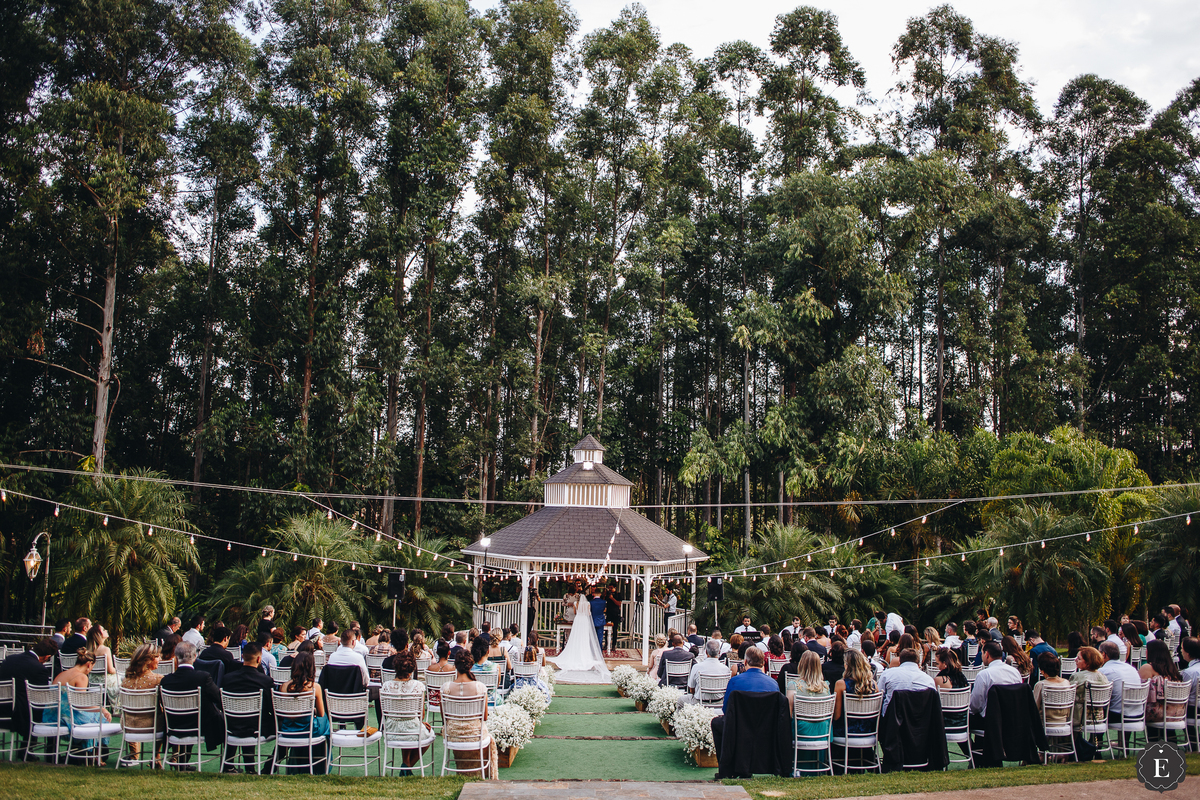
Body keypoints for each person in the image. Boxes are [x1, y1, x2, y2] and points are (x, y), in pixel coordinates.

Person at [221, 641, 277, 773]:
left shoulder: (227, 679)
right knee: (283, 725)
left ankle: (232, 765)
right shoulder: (265, 681)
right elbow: (271, 707)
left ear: (242, 656)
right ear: (259, 659)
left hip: (231, 725)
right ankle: (267, 767)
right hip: (257, 727)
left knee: (248, 720)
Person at [442, 649, 498, 779]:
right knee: (489, 738)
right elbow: (484, 717)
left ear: (455, 665)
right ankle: (485, 774)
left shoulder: (445, 688)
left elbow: (444, 717)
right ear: (471, 666)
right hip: (475, 734)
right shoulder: (480, 687)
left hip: (452, 734)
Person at [51, 648, 113, 760]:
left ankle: (85, 752)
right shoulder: (81, 677)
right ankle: (91, 754)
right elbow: (80, 704)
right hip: (67, 717)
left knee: (94, 716)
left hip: (53, 715)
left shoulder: (61, 674)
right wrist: (102, 709)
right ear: (89, 664)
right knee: (99, 718)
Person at [0, 637, 55, 758]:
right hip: (19, 714)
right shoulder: (40, 669)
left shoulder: (9, 659)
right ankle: (44, 753)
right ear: (47, 657)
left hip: (2, 708)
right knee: (48, 711)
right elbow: (41, 696)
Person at [546, 584, 612, 683]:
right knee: (585, 637)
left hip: (578, 620)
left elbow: (576, 613)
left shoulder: (576, 603)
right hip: (586, 620)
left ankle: (577, 651)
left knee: (576, 636)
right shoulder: (589, 603)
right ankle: (590, 653)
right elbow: (589, 613)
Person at [277, 651, 330, 773]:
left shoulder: (284, 686)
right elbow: (321, 714)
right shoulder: (314, 687)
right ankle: (321, 765)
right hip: (308, 729)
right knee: (325, 719)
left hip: (287, 729)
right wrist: (313, 710)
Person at [380, 650, 430, 773]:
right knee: (427, 735)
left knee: (406, 724)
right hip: (412, 728)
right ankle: (408, 766)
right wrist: (421, 722)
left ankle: (406, 765)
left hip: (391, 729)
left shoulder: (386, 686)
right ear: (412, 669)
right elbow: (421, 715)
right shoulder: (418, 686)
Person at [118, 643, 165, 766]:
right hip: (152, 726)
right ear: (148, 660)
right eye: (157, 657)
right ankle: (156, 756)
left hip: (129, 726)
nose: (160, 659)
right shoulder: (158, 680)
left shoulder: (126, 681)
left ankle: (134, 755)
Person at [787, 650, 831, 773]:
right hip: (822, 731)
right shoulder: (826, 687)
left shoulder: (793, 686)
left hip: (801, 731)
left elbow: (788, 714)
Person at [968, 641, 1023, 727]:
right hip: (1013, 718)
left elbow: (975, 705)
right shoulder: (1015, 672)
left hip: (990, 721)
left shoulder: (984, 675)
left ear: (987, 654)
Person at [833, 649, 878, 741]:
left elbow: (837, 716)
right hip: (868, 731)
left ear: (847, 665)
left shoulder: (841, 684)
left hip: (845, 732)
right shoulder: (873, 684)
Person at [1140, 638, 1185, 727]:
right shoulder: (1173, 670)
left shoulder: (1148, 668)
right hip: (1178, 712)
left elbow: (1140, 691)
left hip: (1156, 712)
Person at [720, 646, 777, 716]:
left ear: (745, 662)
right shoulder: (773, 684)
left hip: (740, 724)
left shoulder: (734, 681)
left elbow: (726, 709)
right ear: (763, 663)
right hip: (766, 725)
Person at [879, 648, 935, 716]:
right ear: (919, 664)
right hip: (920, 721)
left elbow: (879, 696)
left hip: (892, 721)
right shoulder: (929, 681)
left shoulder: (887, 674)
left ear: (899, 662)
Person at [1069, 646, 1111, 737]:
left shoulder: (1077, 677)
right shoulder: (1103, 677)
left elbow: (1069, 695)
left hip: (1079, 718)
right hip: (1098, 717)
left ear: (1087, 663)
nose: (1075, 660)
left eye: (1079, 658)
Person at [1098, 641, 1142, 724]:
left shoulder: (1104, 671)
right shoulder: (1131, 668)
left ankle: (1095, 737)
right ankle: (1125, 737)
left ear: (1103, 654)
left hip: (1119, 715)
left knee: (1096, 710)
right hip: (1138, 713)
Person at [512, 636, 552, 703]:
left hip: (522, 683)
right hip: (534, 683)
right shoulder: (536, 664)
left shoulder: (520, 664)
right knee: (545, 689)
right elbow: (539, 672)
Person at [86, 623, 120, 698]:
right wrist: (118, 670)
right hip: (105, 682)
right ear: (99, 634)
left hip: (93, 681)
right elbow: (110, 670)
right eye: (103, 629)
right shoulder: (105, 649)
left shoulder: (89, 651)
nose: (106, 630)